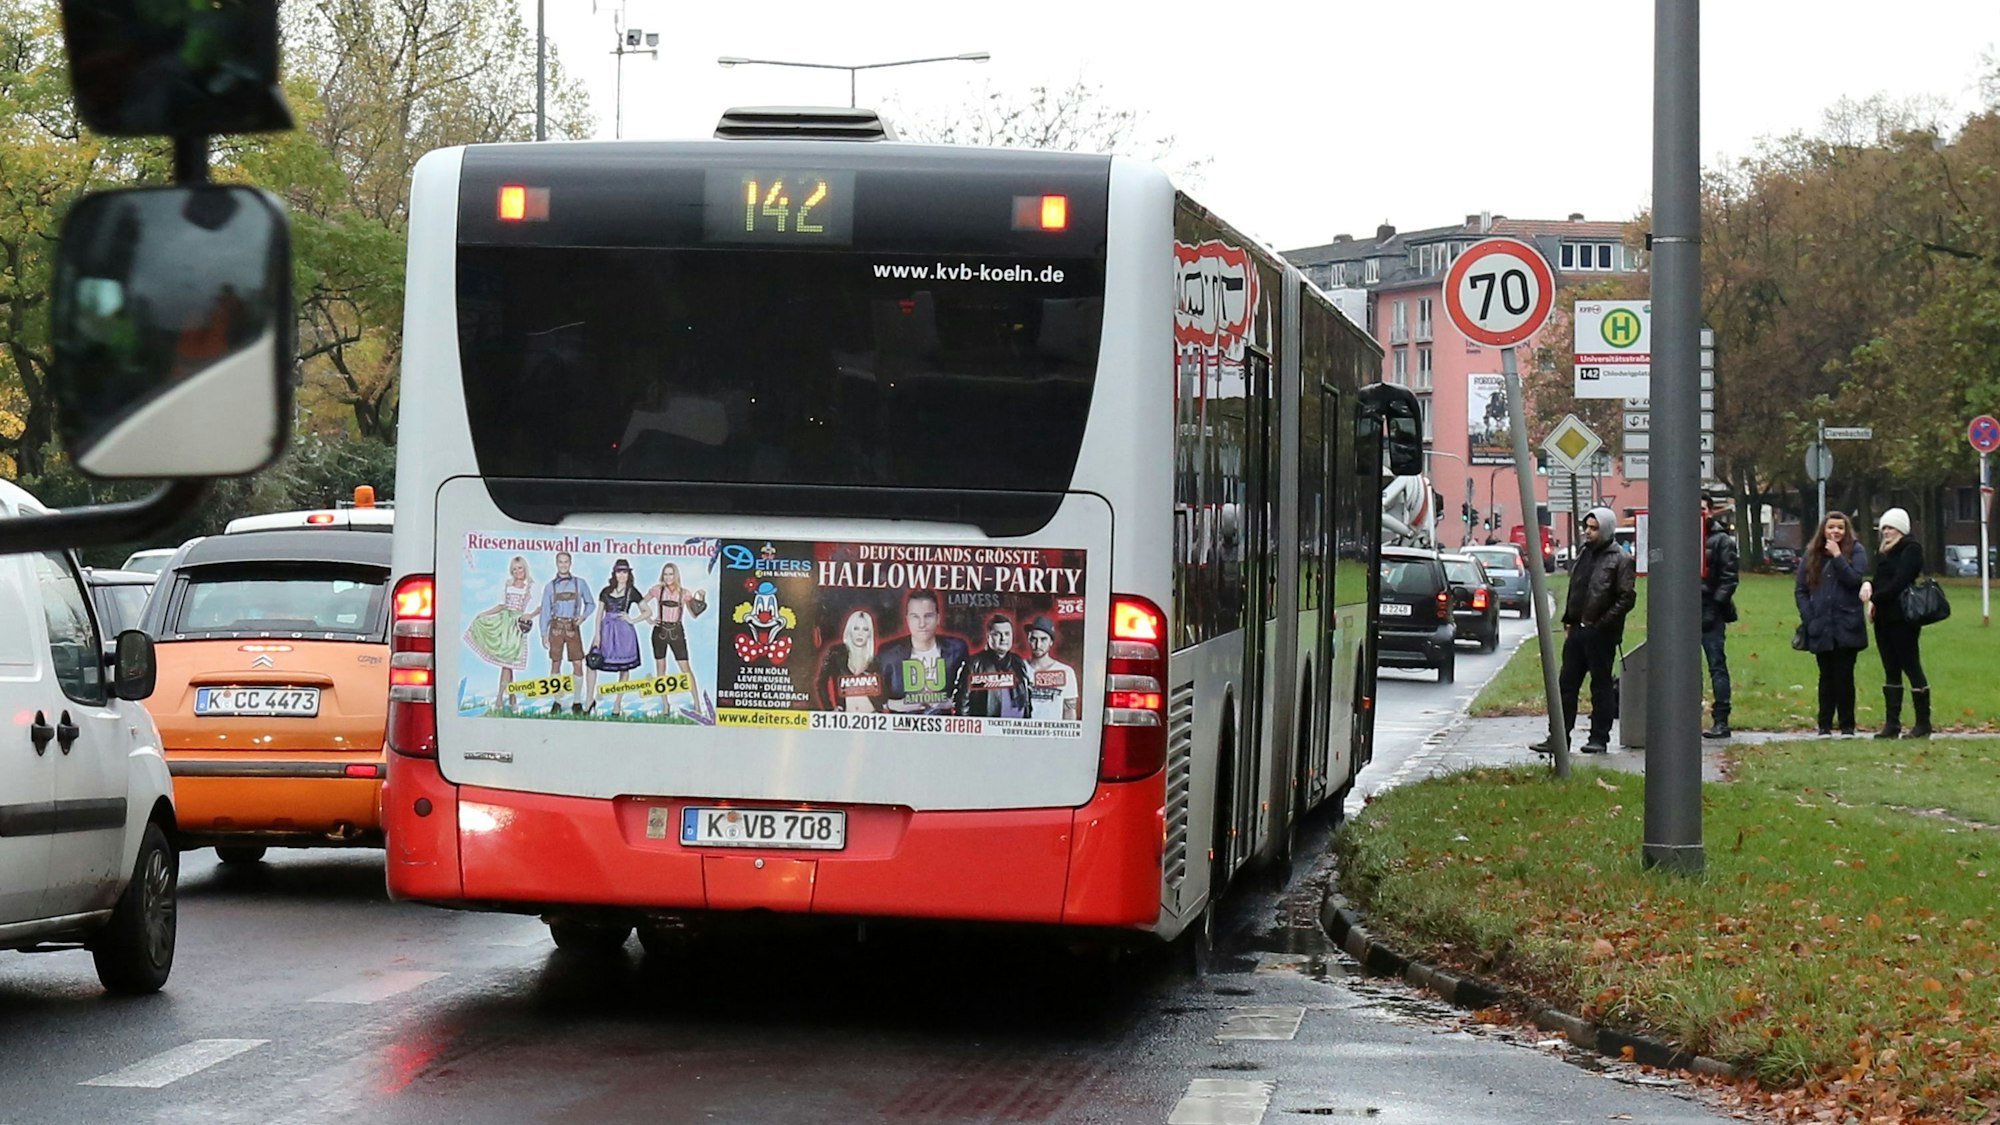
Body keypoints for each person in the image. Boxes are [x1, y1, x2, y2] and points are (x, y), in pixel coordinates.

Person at [1530, 506, 1635, 756]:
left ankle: (1599, 738)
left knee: (1600, 686)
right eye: (1586, 527)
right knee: (1566, 685)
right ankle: (1558, 736)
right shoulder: (1584, 555)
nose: (1588, 532)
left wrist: (1602, 624)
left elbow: (1627, 597)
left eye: (1594, 528)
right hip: (1578, 631)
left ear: (1606, 529)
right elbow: (1576, 591)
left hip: (1601, 634)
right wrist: (1569, 621)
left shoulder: (1620, 559)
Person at [1794, 511, 1869, 736]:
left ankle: (1847, 725)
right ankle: (1824, 725)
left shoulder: (1856, 551)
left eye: (1840, 528)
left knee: (1844, 676)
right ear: (1823, 530)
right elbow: (1801, 590)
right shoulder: (1811, 555)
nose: (1835, 531)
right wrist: (1810, 617)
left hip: (1847, 624)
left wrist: (1837, 557)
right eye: (1831, 527)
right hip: (1821, 625)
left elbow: (1854, 579)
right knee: (1826, 676)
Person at [1865, 507, 1931, 739]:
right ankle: (1892, 724)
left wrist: (1875, 597)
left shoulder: (1911, 550)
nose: (1886, 532)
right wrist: (1870, 590)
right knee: (1890, 668)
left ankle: (1923, 723)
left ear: (1901, 529)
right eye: (1883, 528)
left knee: (1910, 665)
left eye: (1890, 527)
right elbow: (1879, 580)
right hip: (1883, 618)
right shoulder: (1885, 552)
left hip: (1903, 618)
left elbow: (1899, 582)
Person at [878, 591, 969, 714]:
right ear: (907, 620)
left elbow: (967, 692)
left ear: (938, 618)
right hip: (902, 728)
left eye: (928, 616)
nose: (922, 624)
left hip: (942, 728)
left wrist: (948, 702)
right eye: (915, 616)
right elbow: (876, 696)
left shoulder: (957, 649)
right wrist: (896, 705)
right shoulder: (888, 654)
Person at [464, 555, 537, 708]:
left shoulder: (530, 586)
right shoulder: (507, 585)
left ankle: (501, 698)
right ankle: (510, 698)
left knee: (508, 663)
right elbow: (501, 606)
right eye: (515, 569)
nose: (517, 571)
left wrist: (529, 615)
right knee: (507, 663)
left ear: (525, 569)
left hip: (517, 625)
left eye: (520, 568)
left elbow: (540, 606)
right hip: (504, 623)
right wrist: (484, 614)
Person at [644, 562, 709, 718]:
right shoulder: (657, 590)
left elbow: (694, 614)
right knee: (661, 668)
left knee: (685, 668)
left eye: (671, 574)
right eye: (665, 574)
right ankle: (665, 704)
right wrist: (649, 619)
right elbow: (641, 602)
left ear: (676, 575)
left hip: (677, 631)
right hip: (659, 631)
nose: (668, 577)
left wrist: (702, 597)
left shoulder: (684, 593)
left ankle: (697, 703)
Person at [1699, 495, 1740, 739]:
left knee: (1716, 664)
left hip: (1711, 611)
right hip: (1684, 612)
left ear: (1711, 511)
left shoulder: (1722, 541)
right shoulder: (1681, 538)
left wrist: (1713, 608)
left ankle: (1721, 719)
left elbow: (1729, 578)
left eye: (1702, 509)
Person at [538, 551, 595, 714]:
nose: (563, 565)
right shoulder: (550, 586)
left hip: (572, 627)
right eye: (560, 562)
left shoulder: (580, 583)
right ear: (557, 564)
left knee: (578, 663)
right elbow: (545, 612)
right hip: (555, 628)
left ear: (570, 563)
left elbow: (591, 604)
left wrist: (583, 617)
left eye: (566, 562)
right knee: (555, 663)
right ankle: (557, 701)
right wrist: (543, 634)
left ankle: (577, 701)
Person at [589, 559, 645, 716]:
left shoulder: (632, 591)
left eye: (625, 572)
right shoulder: (606, 591)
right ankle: (589, 700)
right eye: (619, 571)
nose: (622, 575)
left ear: (629, 574)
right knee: (593, 662)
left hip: (624, 632)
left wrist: (632, 619)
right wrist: (597, 635)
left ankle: (617, 703)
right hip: (606, 630)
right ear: (614, 573)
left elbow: (647, 611)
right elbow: (598, 615)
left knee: (624, 667)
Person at [953, 613, 1034, 718]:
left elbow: (1026, 699)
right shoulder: (974, 664)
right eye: (997, 634)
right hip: (988, 731)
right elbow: (962, 703)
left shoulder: (1018, 662)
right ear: (988, 637)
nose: (1003, 638)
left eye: (1007, 634)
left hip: (1017, 730)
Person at [815, 609, 883, 713]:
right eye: (856, 628)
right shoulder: (836, 654)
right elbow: (821, 683)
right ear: (849, 630)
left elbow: (886, 691)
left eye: (865, 629)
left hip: (872, 718)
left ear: (869, 633)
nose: (860, 634)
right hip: (846, 717)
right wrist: (829, 710)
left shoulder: (875, 660)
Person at [1023, 616, 1081, 721]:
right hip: (1023, 732)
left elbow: (1069, 710)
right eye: (1034, 639)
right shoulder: (1019, 668)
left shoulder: (1066, 672)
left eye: (1043, 639)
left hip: (1053, 734)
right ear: (1029, 640)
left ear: (1051, 642)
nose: (1038, 645)